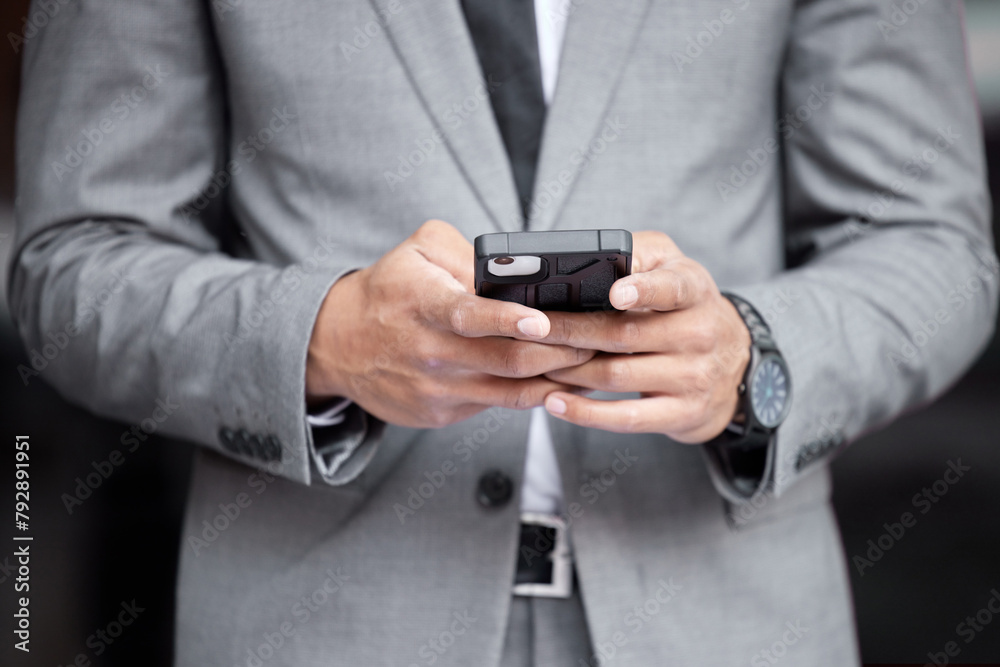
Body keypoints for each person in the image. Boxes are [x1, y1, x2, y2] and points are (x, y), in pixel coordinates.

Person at [10, 0, 996, 664]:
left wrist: (754, 359)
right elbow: (71, 264)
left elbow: (928, 241)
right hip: (322, 625)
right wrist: (317, 340)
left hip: (724, 620)